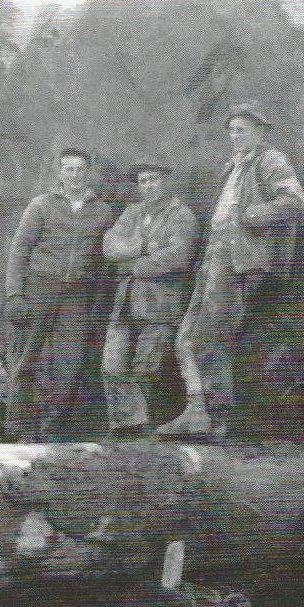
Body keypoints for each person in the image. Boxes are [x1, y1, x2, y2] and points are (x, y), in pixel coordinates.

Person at [156, 101, 304, 439]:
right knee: (187, 337)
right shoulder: (233, 166)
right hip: (214, 255)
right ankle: (197, 410)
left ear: (260, 132)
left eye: (242, 130)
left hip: (239, 259)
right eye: (232, 130)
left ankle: (216, 417)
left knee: (211, 336)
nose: (236, 136)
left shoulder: (270, 160)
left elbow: (295, 201)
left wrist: (254, 215)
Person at [3, 148, 116, 441]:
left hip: (76, 296)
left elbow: (105, 260)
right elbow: (19, 250)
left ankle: (52, 430)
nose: (74, 175)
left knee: (71, 361)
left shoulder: (102, 212)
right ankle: (20, 430)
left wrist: (97, 300)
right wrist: (15, 294)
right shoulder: (41, 206)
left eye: (80, 169)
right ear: (59, 172)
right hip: (40, 288)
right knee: (27, 358)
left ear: (88, 172)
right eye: (68, 169)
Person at [100, 162, 199, 436]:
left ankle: (142, 431)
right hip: (123, 304)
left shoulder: (182, 216)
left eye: (153, 180)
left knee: (147, 368)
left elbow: (178, 256)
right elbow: (109, 246)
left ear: (166, 181)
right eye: (143, 181)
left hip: (160, 306)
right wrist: (144, 248)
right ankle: (125, 425)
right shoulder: (132, 213)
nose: (148, 186)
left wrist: (132, 264)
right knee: (112, 367)